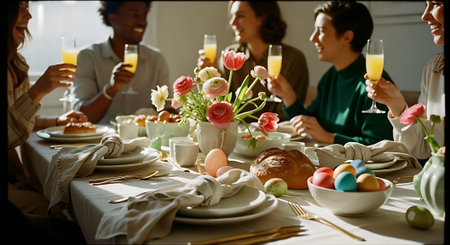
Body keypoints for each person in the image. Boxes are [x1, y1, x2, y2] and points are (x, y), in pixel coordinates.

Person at [7, 1, 87, 244]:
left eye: (28, 6)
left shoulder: (15, 65)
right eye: (20, 6)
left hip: (14, 177)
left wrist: (57, 120)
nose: (29, 15)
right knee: (69, 216)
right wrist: (37, 92)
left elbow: (18, 121)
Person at [269, 1, 394, 145]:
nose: (312, 38)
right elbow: (310, 123)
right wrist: (288, 95)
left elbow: (379, 145)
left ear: (347, 37)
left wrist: (329, 138)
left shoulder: (375, 86)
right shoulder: (330, 77)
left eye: (321, 31)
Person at [197, 1, 309, 122]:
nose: (232, 23)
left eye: (240, 16)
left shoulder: (293, 59)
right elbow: (219, 108)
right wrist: (211, 77)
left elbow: (291, 117)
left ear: (262, 17)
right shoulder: (231, 54)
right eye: (232, 16)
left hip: (277, 136)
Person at [365, 1, 445, 160]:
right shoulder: (434, 69)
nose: (424, 16)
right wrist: (397, 105)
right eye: (426, 4)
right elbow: (421, 150)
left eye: (435, 4)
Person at [72, 1, 171, 124]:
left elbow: (168, 110)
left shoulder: (156, 59)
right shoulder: (87, 57)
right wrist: (111, 89)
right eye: (133, 15)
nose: (142, 22)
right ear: (112, 18)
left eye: (144, 15)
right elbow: (81, 117)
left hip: (145, 141)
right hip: (100, 141)